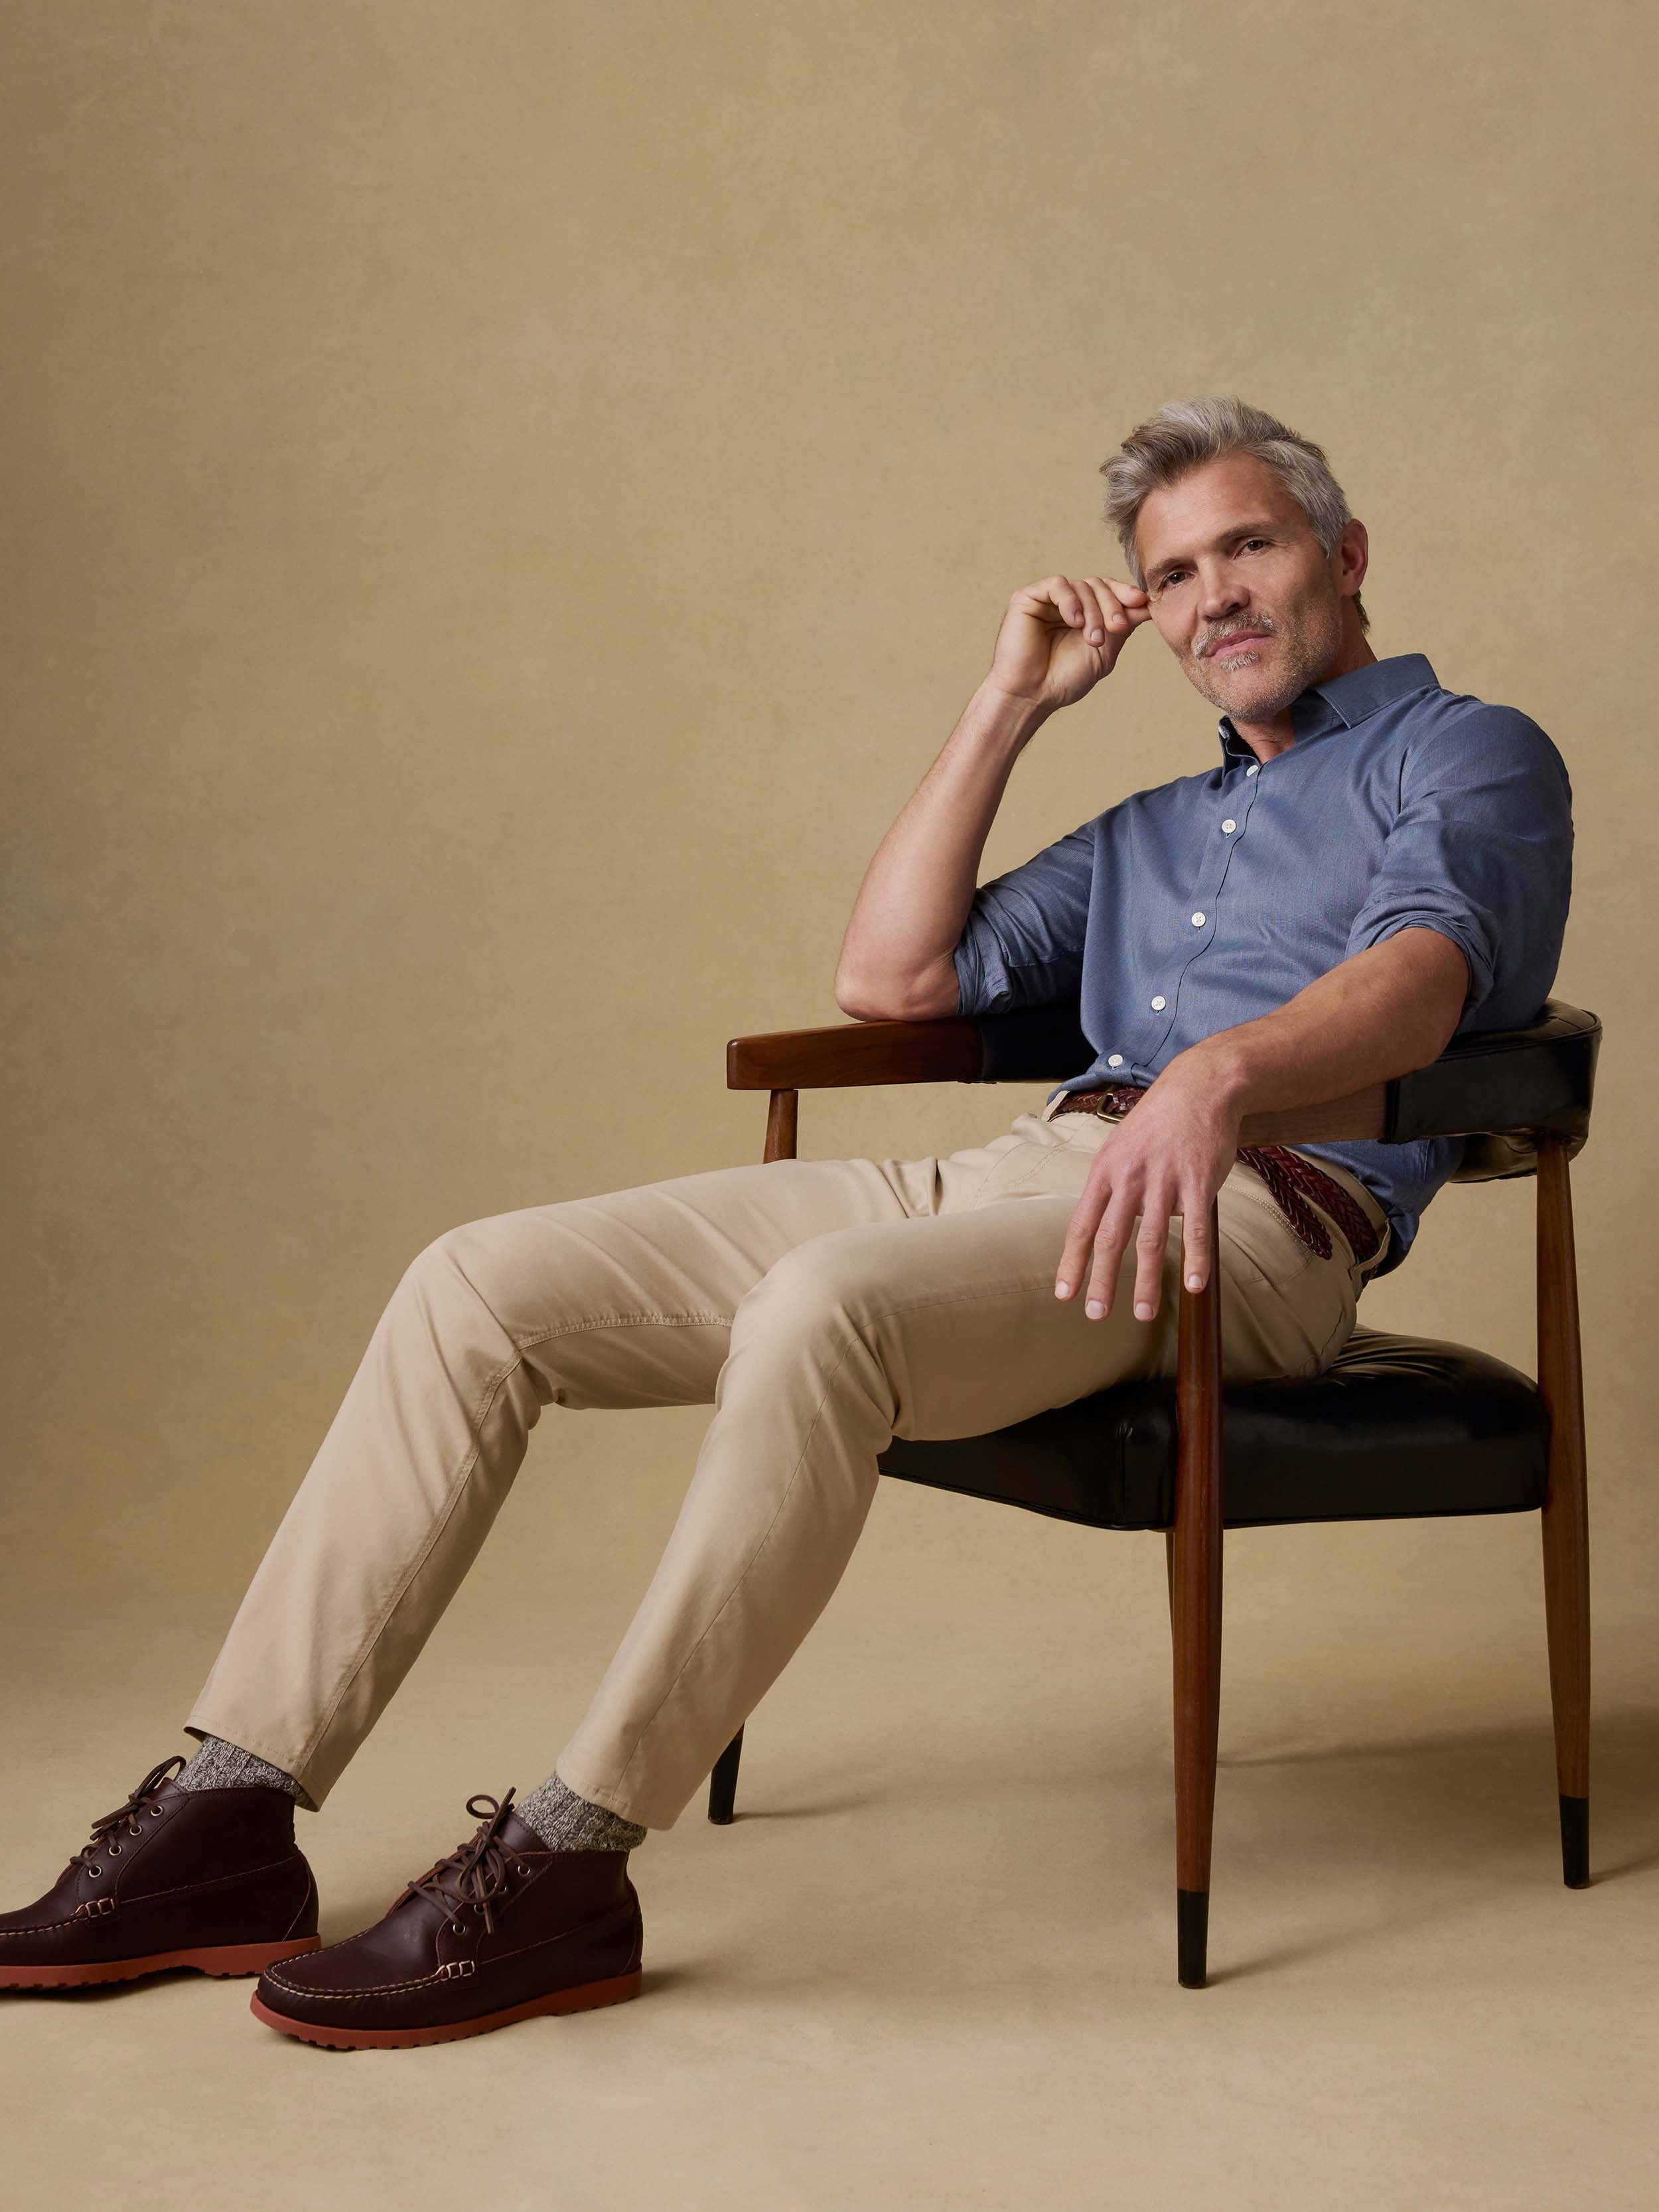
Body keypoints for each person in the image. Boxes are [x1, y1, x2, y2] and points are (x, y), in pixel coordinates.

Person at [0, 397, 1572, 2049]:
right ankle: (232, 1812)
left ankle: (567, 1857)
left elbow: (1426, 975)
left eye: (1245, 545)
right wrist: (1005, 706)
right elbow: (888, 979)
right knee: (475, 1282)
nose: (1212, 598)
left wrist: (1222, 1080)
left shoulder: (1461, 750)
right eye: (1171, 575)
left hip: (1246, 1220)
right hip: (1012, 1175)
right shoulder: (1153, 832)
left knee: (823, 1303)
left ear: (1344, 552)